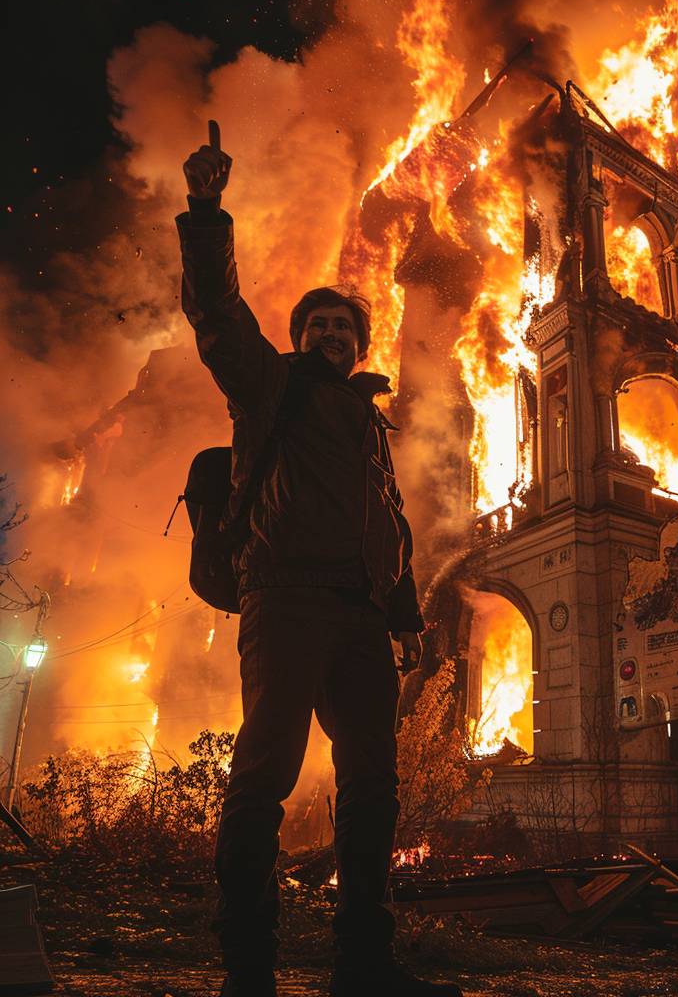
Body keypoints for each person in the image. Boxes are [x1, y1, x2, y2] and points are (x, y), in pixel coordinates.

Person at [178, 121, 461, 997]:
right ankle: (248, 968)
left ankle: (365, 964)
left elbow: (388, 527)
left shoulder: (371, 425)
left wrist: (405, 620)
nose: (332, 334)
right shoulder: (273, 391)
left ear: (358, 345)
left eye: (344, 327)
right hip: (287, 602)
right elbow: (218, 318)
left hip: (362, 619)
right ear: (300, 338)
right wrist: (205, 212)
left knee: (374, 781)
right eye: (319, 324)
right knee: (266, 770)